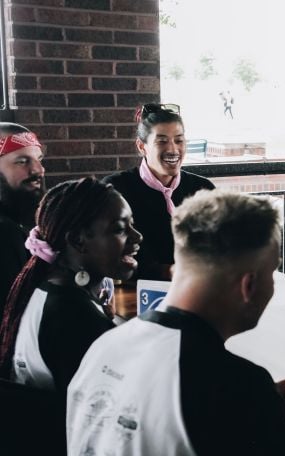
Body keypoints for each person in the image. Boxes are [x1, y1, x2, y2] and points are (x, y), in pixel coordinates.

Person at [66, 190, 285, 456]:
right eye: (273, 273)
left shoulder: (105, 345)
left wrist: (258, 407)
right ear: (249, 285)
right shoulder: (237, 385)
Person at [0, 178, 141, 402]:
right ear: (78, 241)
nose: (137, 236)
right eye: (120, 229)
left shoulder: (47, 287)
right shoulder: (73, 317)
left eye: (132, 225)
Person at [103, 103, 215, 280]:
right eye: (162, 141)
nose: (172, 149)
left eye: (179, 140)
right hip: (134, 294)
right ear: (141, 146)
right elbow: (109, 256)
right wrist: (173, 272)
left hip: (197, 290)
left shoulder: (203, 189)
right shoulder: (115, 189)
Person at [0, 123, 44, 309]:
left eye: (39, 159)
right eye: (22, 161)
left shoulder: (16, 224)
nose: (38, 170)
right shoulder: (5, 234)